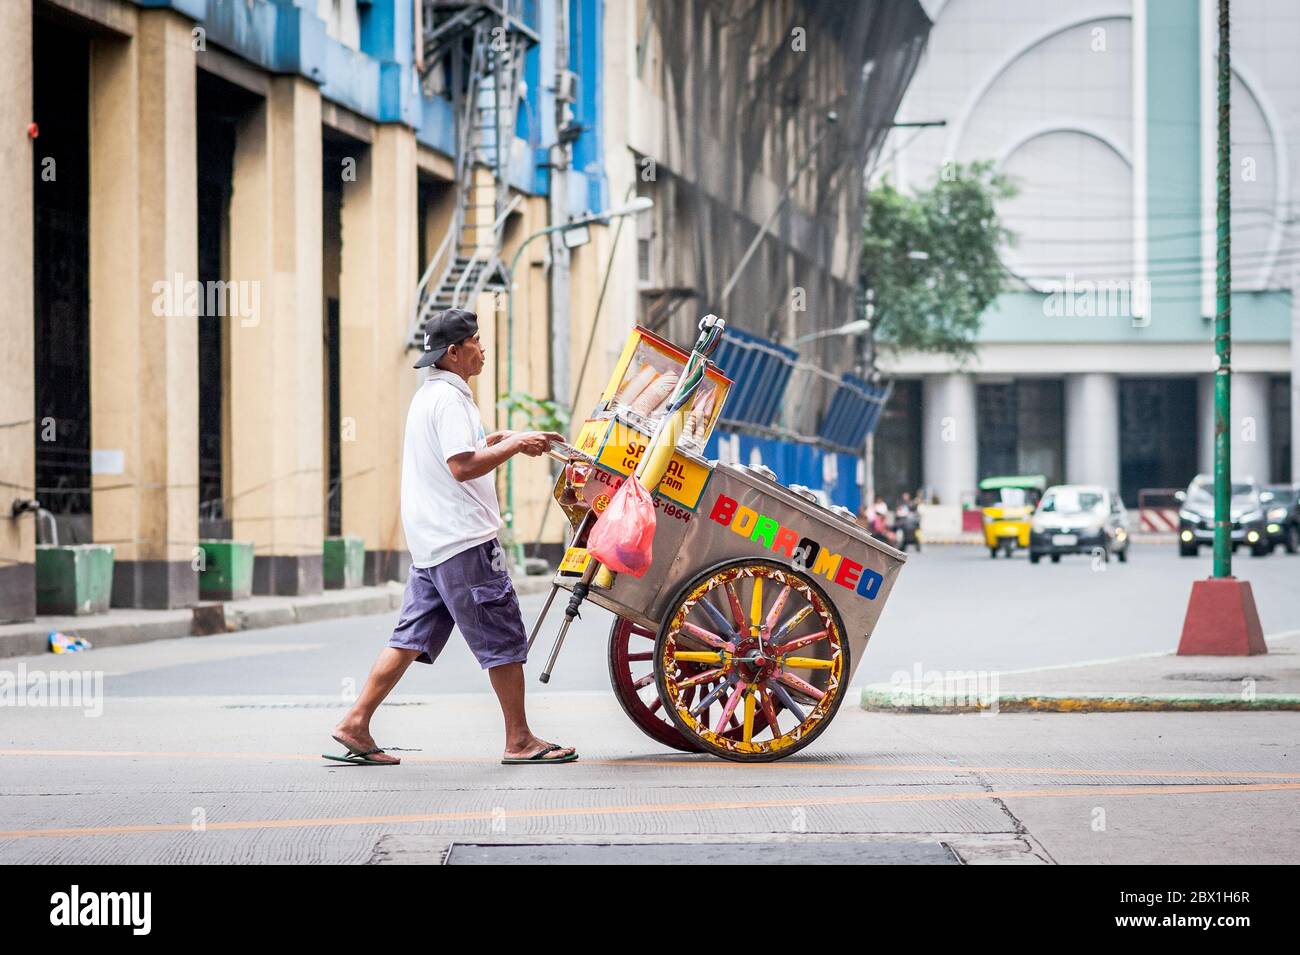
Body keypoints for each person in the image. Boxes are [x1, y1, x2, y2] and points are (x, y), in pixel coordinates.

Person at [327, 308, 576, 766]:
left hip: (432, 544)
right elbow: (462, 466)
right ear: (456, 352)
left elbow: (464, 452)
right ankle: (519, 741)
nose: (483, 349)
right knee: (503, 636)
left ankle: (355, 723)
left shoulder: (431, 396)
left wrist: (507, 437)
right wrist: (516, 446)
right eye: (477, 342)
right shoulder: (451, 401)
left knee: (410, 638)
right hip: (463, 542)